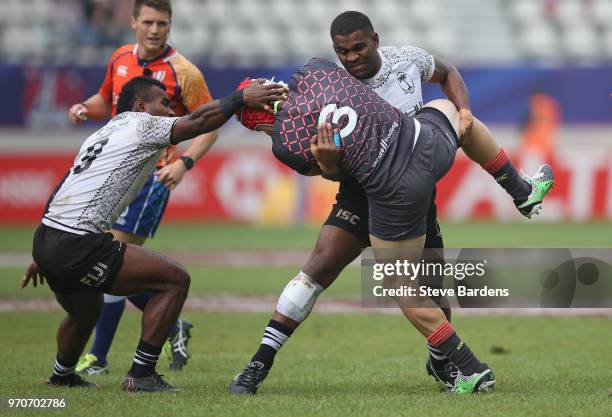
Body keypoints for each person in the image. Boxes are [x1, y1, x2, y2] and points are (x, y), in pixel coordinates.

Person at [228, 11, 555, 395]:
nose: (350, 58)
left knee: (428, 291)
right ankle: (258, 365)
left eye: (357, 48)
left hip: (408, 182)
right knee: (317, 271)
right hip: (364, 192)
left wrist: (465, 111)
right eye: (343, 51)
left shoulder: (401, 61)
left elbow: (448, 73)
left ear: (376, 40)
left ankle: (447, 365)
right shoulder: (325, 81)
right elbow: (330, 172)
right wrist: (329, 163)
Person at [22, 76, 286, 392]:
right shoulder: (143, 124)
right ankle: (142, 374)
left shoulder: (101, 134)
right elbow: (198, 121)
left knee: (86, 309)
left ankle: (61, 376)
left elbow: (65, 187)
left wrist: (44, 250)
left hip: (49, 236)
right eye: (163, 103)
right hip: (77, 242)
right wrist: (241, 97)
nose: (169, 108)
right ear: (140, 105)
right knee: (174, 281)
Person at [67, 0, 217, 374]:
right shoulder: (119, 57)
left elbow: (210, 122)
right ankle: (170, 325)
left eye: (162, 23)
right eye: (148, 21)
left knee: (112, 260)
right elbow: (108, 100)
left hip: (153, 176)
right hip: (114, 174)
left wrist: (184, 162)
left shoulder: (184, 72)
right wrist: (85, 107)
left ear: (170, 25)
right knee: (110, 266)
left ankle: (98, 359)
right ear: (133, 22)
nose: (154, 29)